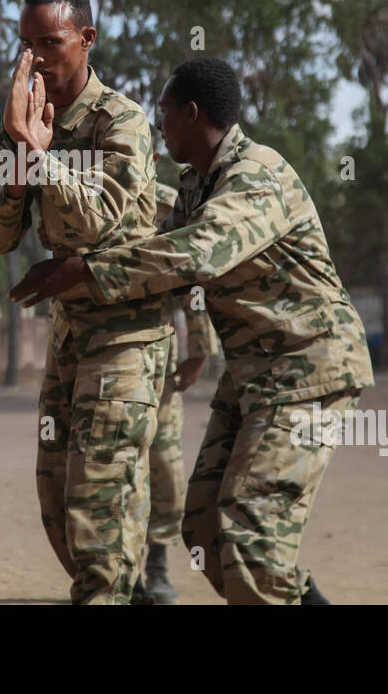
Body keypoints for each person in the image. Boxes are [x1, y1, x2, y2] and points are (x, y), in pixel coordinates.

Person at [10, 57, 375, 604]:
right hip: (256, 373)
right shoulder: (198, 185)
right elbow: (149, 222)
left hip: (309, 368)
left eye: (164, 113)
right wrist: (67, 184)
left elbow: (196, 254)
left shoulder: (256, 175)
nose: (158, 124)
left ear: (192, 113)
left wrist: (84, 271)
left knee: (250, 536)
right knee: (203, 527)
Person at [0, 0, 173, 605]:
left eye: (51, 43)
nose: (35, 59)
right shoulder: (27, 121)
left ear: (86, 39)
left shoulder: (121, 121)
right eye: (26, 45)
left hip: (127, 334)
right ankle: (126, 591)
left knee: (98, 500)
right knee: (58, 497)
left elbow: (96, 223)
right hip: (69, 334)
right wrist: (16, 171)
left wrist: (40, 154)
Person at [132, 177, 220, 605]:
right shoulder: (89, 199)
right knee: (111, 469)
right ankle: (118, 573)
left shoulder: (168, 206)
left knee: (164, 466)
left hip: (158, 369)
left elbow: (192, 280)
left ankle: (157, 564)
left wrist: (198, 349)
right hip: (101, 364)